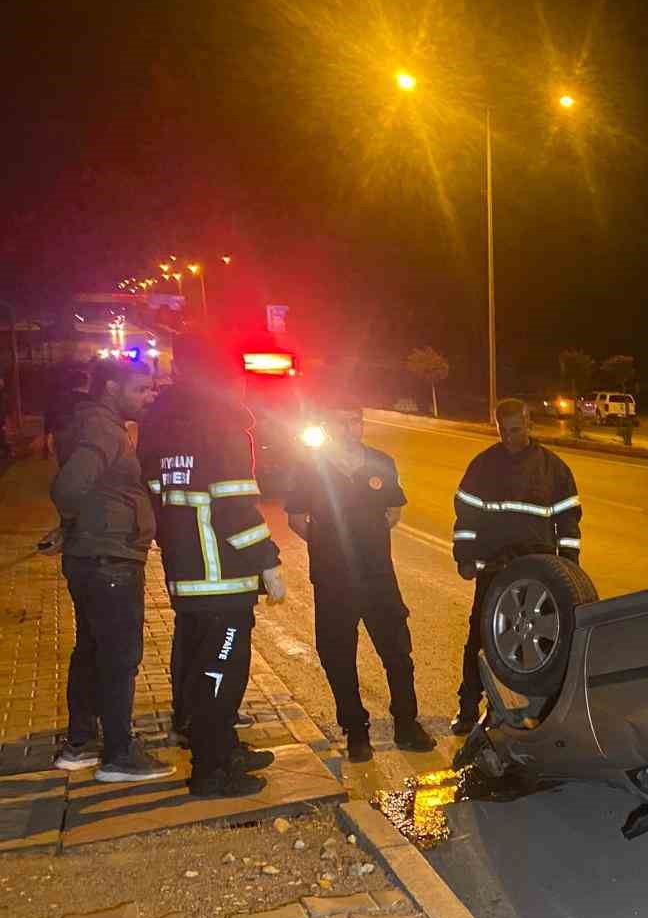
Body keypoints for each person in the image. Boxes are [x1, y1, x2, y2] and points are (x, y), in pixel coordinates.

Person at [140, 334, 286, 797]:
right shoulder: (222, 428)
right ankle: (212, 769)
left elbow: (154, 492)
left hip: (185, 572)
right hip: (221, 577)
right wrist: (268, 562)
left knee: (193, 664)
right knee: (221, 671)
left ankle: (221, 746)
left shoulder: (161, 424)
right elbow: (234, 507)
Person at [285, 397, 435, 762]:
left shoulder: (381, 463)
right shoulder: (308, 467)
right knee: (338, 656)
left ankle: (406, 723)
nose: (350, 428)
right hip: (333, 578)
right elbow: (296, 519)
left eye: (356, 420)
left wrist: (363, 542)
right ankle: (356, 732)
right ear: (326, 427)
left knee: (397, 652)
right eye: (341, 422)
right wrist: (330, 544)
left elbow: (392, 512)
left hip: (378, 576)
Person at [46, 356, 170, 781]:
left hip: (93, 558)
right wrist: (78, 521)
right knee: (120, 658)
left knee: (92, 651)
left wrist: (73, 527)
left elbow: (86, 489)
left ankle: (79, 744)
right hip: (110, 561)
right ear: (112, 389)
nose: (149, 396)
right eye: (141, 388)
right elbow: (68, 487)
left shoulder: (92, 423)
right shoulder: (103, 428)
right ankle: (118, 754)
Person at [450, 398, 581, 734]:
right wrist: (465, 556)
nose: (510, 438)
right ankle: (468, 707)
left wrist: (568, 567)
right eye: (504, 432)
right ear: (497, 429)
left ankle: (543, 710)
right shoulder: (483, 466)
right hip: (495, 567)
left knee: (542, 645)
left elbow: (568, 521)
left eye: (517, 430)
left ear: (529, 425)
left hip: (538, 571)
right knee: (481, 636)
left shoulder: (553, 469)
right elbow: (466, 514)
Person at [45, 369, 92, 464]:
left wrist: (49, 435)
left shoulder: (61, 398)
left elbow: (51, 416)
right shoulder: (92, 401)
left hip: (63, 439)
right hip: (85, 441)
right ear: (87, 384)